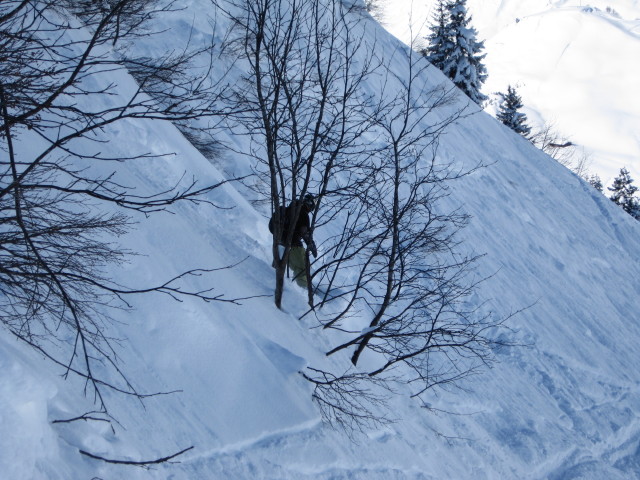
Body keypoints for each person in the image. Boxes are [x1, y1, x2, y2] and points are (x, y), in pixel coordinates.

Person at [269, 193, 318, 287]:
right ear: (311, 205)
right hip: (294, 246)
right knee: (302, 269)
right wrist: (311, 245)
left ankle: (271, 285)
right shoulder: (303, 214)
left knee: (276, 268)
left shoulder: (289, 209)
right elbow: (304, 233)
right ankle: (305, 291)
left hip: (278, 243)